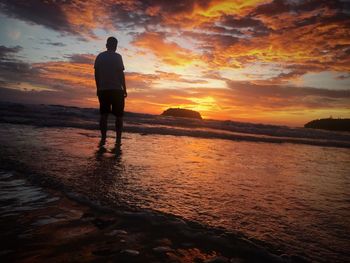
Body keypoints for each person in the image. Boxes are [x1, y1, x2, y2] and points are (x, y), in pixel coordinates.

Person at [94, 37, 127, 147]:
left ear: (107, 45)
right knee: (119, 116)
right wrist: (125, 89)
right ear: (115, 46)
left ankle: (103, 138)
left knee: (104, 115)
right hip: (117, 90)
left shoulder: (100, 56)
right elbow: (121, 74)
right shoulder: (118, 57)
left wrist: (98, 88)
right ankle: (118, 140)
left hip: (103, 89)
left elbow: (96, 74)